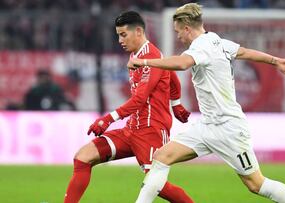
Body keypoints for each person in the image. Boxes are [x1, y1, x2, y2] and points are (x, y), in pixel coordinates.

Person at [128, 3, 285, 203]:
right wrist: (275, 61)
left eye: (178, 32)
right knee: (162, 157)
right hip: (207, 126)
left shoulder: (201, 47)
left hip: (229, 128)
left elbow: (182, 63)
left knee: (256, 184)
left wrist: (144, 62)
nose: (178, 36)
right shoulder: (217, 41)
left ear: (187, 28)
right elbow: (245, 52)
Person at [63, 11, 193, 203]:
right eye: (118, 35)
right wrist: (176, 104)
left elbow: (140, 99)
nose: (120, 40)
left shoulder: (151, 57)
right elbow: (173, 76)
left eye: (123, 34)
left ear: (138, 31)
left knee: (157, 186)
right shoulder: (138, 55)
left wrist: (108, 119)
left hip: (152, 129)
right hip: (131, 129)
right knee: (83, 157)